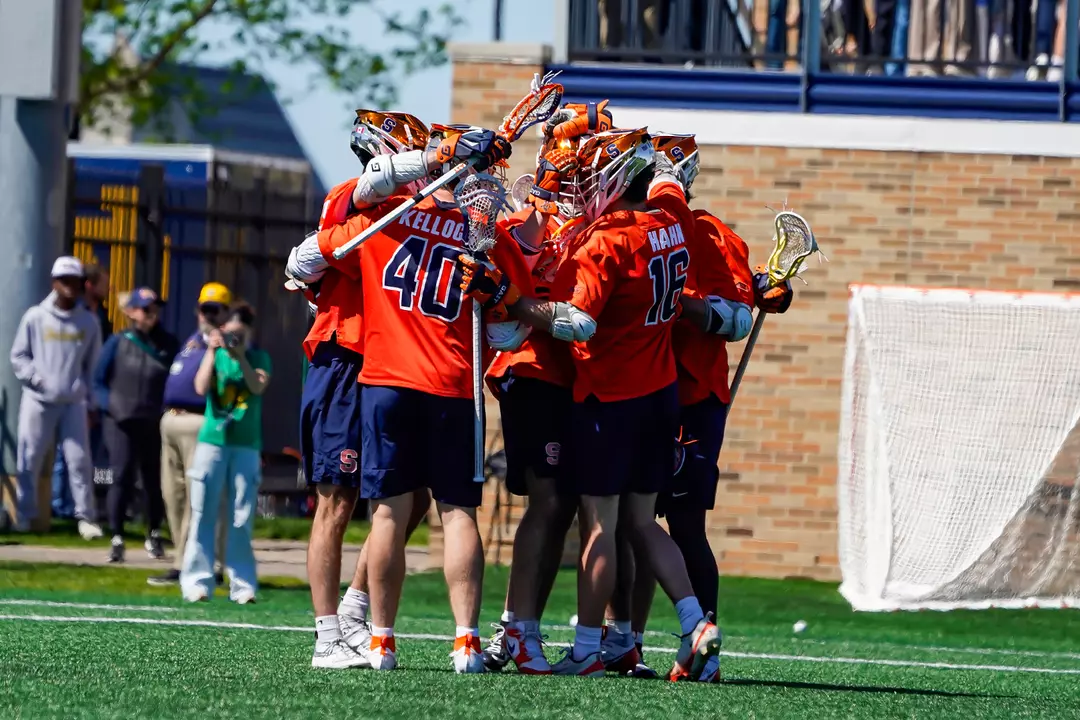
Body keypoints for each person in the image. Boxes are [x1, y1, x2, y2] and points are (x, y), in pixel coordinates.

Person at [462, 128, 721, 679]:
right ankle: (694, 619)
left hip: (609, 393)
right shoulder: (669, 221)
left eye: (591, 171)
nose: (580, 182)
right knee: (641, 521)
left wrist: (511, 299)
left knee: (600, 524)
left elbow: (576, 320)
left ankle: (586, 646)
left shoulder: (606, 236)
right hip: (656, 391)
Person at [290, 122, 522, 673]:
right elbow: (511, 330)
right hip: (450, 382)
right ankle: (465, 641)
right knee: (457, 513)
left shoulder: (381, 221)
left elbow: (302, 260)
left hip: (386, 377)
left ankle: (380, 641)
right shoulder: (482, 232)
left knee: (390, 512)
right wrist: (493, 296)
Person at [286, 109, 434, 670]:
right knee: (337, 499)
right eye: (411, 154)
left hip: (390, 365)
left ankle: (353, 605)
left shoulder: (413, 210)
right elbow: (362, 198)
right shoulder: (356, 196)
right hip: (344, 359)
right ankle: (328, 634)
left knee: (411, 494)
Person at [481, 102, 611, 676]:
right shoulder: (524, 226)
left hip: (569, 379)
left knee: (565, 509)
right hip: (532, 372)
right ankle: (515, 628)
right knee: (551, 500)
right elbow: (506, 308)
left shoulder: (586, 228)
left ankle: (523, 625)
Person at [180, 303, 271, 604]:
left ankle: (243, 584)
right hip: (212, 442)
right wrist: (211, 350)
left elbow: (257, 387)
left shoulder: (259, 358)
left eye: (240, 334)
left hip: (246, 445)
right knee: (203, 511)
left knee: (241, 516)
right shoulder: (215, 355)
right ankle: (197, 581)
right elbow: (199, 387)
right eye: (231, 334)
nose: (234, 340)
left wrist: (240, 355)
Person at [9, 256, 103, 539]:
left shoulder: (88, 321)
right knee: (29, 458)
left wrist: (91, 403)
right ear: (54, 282)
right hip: (37, 401)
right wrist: (38, 381)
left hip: (73, 402)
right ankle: (25, 516)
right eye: (64, 281)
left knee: (79, 461)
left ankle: (86, 518)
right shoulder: (35, 316)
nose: (70, 287)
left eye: (75, 281)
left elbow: (93, 366)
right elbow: (18, 357)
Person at [148, 283, 232, 587]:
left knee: (202, 497)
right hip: (171, 420)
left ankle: (206, 563)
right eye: (203, 308)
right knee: (174, 497)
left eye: (215, 309)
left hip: (201, 421)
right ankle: (182, 559)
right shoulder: (193, 340)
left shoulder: (225, 342)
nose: (207, 314)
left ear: (225, 312)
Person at [93, 288, 180, 563]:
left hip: (154, 420)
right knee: (122, 476)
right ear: (131, 312)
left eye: (154, 307)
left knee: (155, 480)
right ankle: (117, 536)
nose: (150, 313)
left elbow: (176, 380)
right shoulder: (118, 342)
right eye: (144, 308)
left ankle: (153, 533)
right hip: (121, 421)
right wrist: (110, 406)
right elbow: (98, 381)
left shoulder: (168, 343)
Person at [51, 263, 112, 519]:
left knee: (89, 455)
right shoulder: (79, 315)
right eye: (104, 284)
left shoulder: (102, 318)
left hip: (95, 394)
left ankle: (86, 503)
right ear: (89, 285)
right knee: (63, 455)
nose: (109, 288)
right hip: (72, 393)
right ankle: (59, 504)